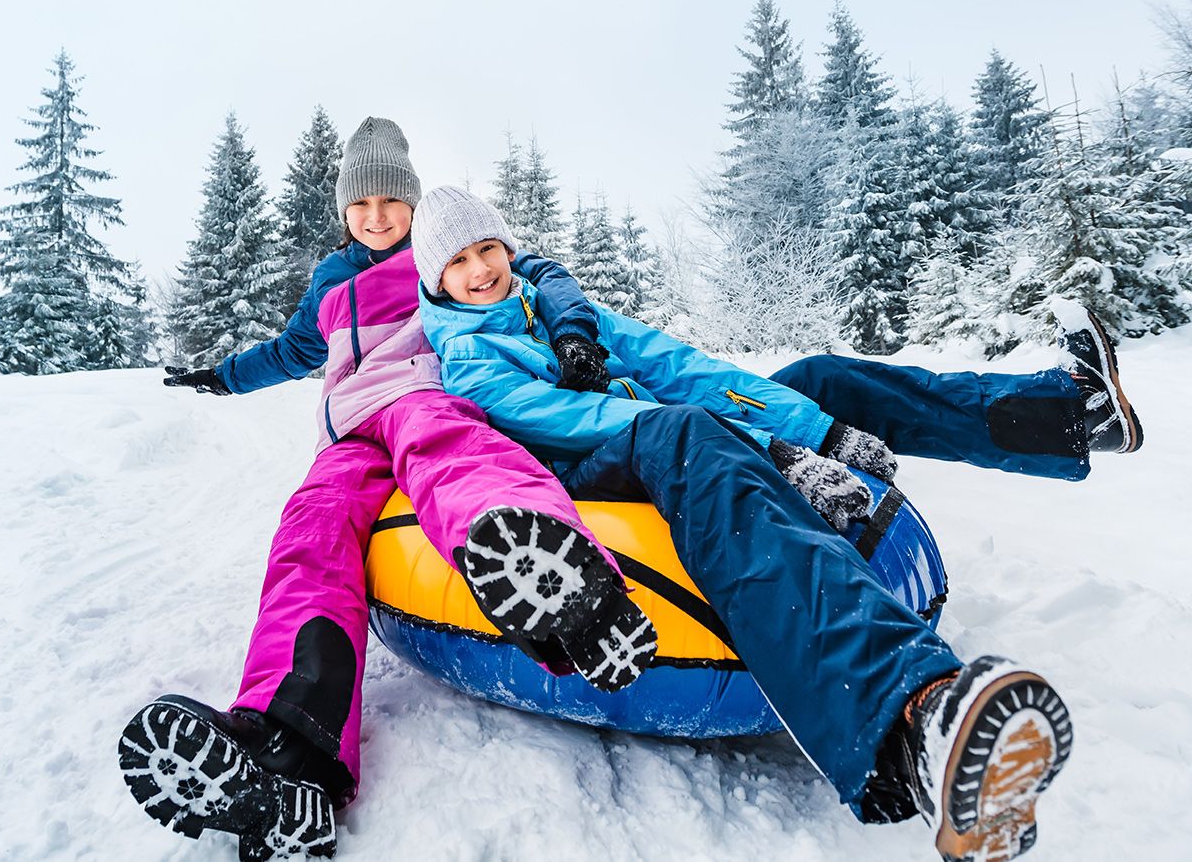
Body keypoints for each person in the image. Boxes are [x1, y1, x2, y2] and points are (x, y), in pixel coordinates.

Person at [412, 185, 1080, 861]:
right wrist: (773, 451)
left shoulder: (561, 312)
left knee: (819, 378)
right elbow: (585, 423)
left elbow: (681, 368)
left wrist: (814, 426)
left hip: (666, 431)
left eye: (488, 247)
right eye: (458, 261)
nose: (480, 269)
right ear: (435, 281)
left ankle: (1065, 418)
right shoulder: (471, 359)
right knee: (685, 432)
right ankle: (915, 716)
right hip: (593, 475)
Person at [116, 121, 656, 861]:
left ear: (411, 201)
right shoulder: (330, 282)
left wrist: (570, 334)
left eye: (391, 200)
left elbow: (543, 274)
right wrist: (220, 375)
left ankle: (568, 587)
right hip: (348, 433)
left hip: (423, 399)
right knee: (309, 533)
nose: (377, 216)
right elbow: (291, 351)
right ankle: (289, 752)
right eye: (361, 202)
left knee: (454, 459)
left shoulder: (439, 249)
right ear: (343, 210)